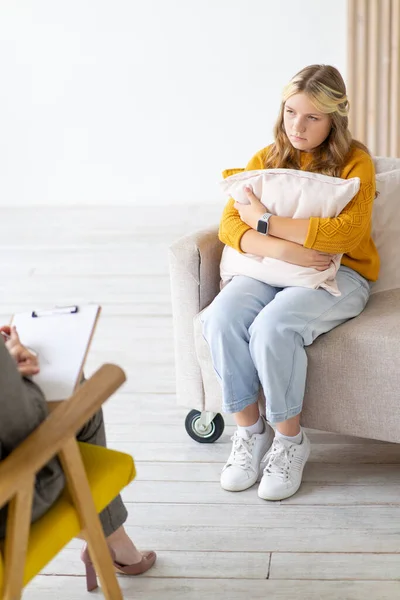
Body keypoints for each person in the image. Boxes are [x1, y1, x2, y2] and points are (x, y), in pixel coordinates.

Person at [201, 64, 379, 501]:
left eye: (312, 117)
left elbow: (346, 235)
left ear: (334, 119)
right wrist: (284, 249)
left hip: (339, 274)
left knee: (272, 328)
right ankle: (249, 434)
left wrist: (264, 221)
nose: (297, 126)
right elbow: (228, 223)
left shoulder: (356, 161)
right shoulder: (266, 157)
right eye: (291, 112)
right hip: (268, 269)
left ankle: (290, 442)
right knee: (220, 319)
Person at [0, 324, 156, 587]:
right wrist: (17, 378)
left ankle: (112, 540)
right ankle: (114, 541)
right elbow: (24, 422)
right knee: (74, 388)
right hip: (16, 496)